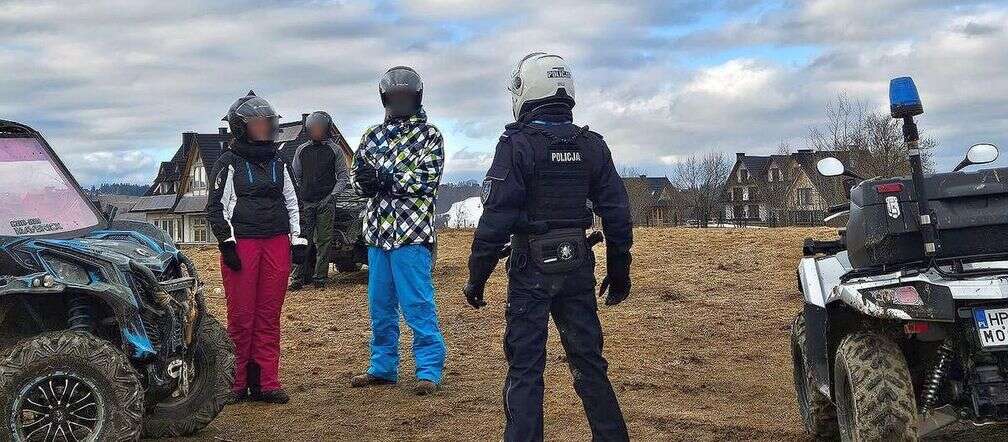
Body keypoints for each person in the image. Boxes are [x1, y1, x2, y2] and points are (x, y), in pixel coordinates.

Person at [462, 53, 633, 442]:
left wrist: (477, 276)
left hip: (530, 269)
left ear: (525, 90)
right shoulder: (592, 146)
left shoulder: (517, 144)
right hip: (578, 265)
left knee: (525, 368)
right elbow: (618, 214)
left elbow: (496, 217)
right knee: (589, 363)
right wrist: (619, 272)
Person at [349, 66, 446, 396]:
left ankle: (429, 369)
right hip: (377, 237)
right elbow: (357, 178)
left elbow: (427, 179)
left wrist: (387, 179)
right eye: (395, 96)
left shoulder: (430, 136)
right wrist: (366, 181)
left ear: (416, 98)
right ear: (385, 98)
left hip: (412, 236)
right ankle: (383, 367)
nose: (400, 101)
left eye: (406, 96)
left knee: (418, 304)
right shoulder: (370, 136)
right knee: (380, 306)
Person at [206, 91, 307, 405]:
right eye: (257, 124)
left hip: (276, 243)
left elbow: (294, 203)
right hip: (243, 246)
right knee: (241, 316)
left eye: (267, 123)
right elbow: (215, 207)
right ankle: (236, 383)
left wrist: (299, 240)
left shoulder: (279, 161)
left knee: (268, 315)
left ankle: (267, 382)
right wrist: (227, 244)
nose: (264, 128)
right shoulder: (228, 163)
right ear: (241, 127)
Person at [289, 111, 350, 290]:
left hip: (326, 202)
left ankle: (320, 278)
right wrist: (301, 195)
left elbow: (342, 176)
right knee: (302, 241)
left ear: (327, 129)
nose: (316, 131)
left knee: (323, 242)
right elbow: (295, 175)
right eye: (313, 128)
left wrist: (332, 196)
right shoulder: (302, 150)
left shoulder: (335, 150)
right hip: (306, 202)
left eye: (320, 128)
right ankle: (297, 279)